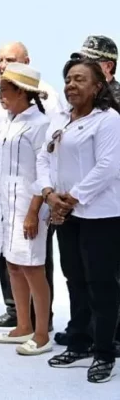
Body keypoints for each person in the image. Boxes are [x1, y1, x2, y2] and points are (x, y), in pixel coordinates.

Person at [39, 57, 120, 383]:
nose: (71, 85)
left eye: (80, 80)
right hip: (66, 214)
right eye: (68, 79)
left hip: (100, 214)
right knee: (75, 279)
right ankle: (80, 342)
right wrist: (48, 193)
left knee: (101, 284)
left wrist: (69, 199)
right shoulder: (61, 118)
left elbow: (108, 167)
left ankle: (104, 352)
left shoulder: (109, 120)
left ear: (97, 86)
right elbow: (44, 156)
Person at [0, 41, 64, 331]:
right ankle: (22, 326)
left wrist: (33, 212)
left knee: (34, 269)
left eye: (4, 90)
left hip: (28, 209)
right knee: (13, 266)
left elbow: (44, 173)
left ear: (20, 91)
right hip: (6, 206)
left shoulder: (41, 124)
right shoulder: (8, 122)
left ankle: (41, 331)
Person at [63, 35, 120, 353]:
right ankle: (82, 333)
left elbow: (110, 162)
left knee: (106, 276)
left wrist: (73, 195)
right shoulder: (77, 105)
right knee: (81, 274)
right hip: (81, 205)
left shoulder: (114, 105)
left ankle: (107, 339)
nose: (75, 74)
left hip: (109, 203)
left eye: (87, 63)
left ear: (106, 67)